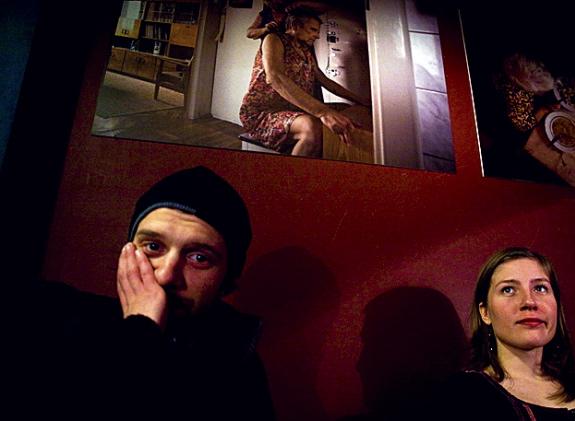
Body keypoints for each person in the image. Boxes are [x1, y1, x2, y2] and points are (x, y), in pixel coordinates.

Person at [27, 166, 276, 419]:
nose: (166, 276)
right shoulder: (61, 323)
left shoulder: (239, 371)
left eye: (199, 258)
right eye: (153, 246)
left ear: (226, 282)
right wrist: (141, 331)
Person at [430, 247, 575, 420]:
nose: (529, 301)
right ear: (485, 313)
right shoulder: (463, 395)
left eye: (540, 288)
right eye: (508, 290)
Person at [239, 8, 370, 157]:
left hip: (294, 109)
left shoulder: (305, 51)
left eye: (317, 32)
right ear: (295, 25)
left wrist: (360, 100)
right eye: (312, 30)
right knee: (310, 127)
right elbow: (275, 77)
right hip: (264, 113)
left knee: (349, 111)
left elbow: (325, 81)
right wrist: (323, 112)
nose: (316, 35)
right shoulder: (274, 39)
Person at [245, 1, 329, 40]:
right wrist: (265, 29)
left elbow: (326, 7)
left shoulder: (295, 9)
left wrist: (302, 3)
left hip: (296, 52)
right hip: (270, 52)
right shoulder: (265, 14)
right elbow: (249, 33)